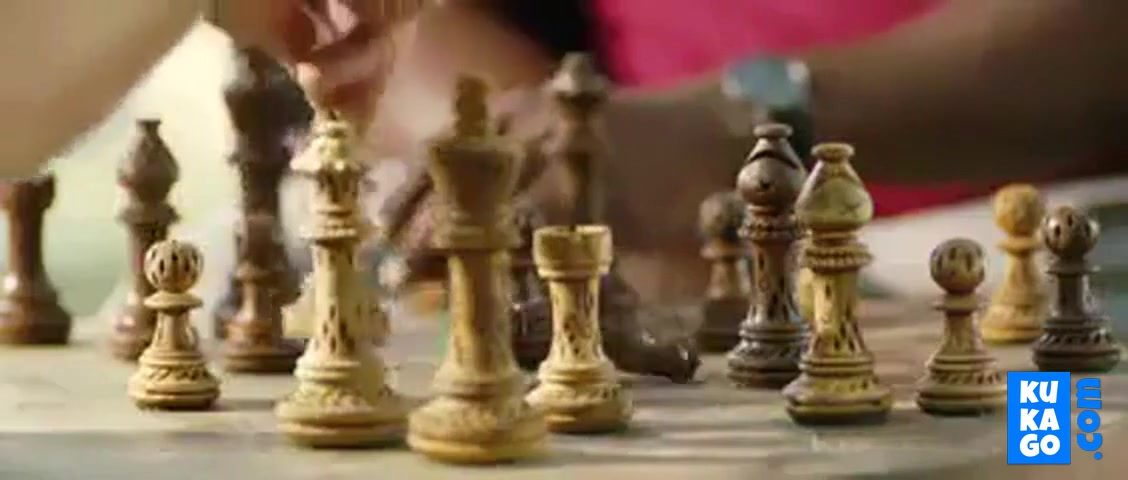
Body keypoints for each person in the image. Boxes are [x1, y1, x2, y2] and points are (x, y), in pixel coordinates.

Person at [7, 0, 1128, 303]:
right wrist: (519, 153)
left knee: (1063, 440)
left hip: (1033, 239)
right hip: (626, 234)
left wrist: (728, 134)